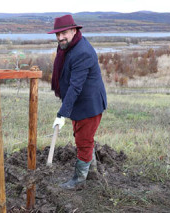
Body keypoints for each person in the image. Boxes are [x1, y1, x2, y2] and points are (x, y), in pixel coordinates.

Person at [47, 15, 107, 189]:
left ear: (74, 30)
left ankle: (79, 180)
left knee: (83, 141)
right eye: (57, 34)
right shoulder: (68, 47)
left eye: (63, 33)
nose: (60, 38)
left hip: (89, 104)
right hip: (79, 103)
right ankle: (93, 172)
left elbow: (75, 87)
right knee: (84, 138)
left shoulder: (82, 52)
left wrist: (61, 114)